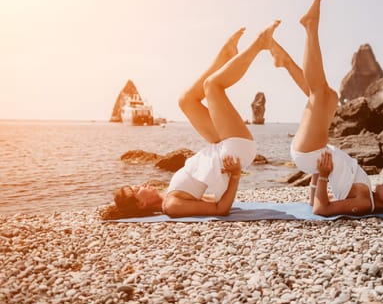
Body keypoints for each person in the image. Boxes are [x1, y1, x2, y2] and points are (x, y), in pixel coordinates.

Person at [100, 21, 281, 220]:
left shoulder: (170, 195)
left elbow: (211, 201)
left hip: (221, 148)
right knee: (212, 86)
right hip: (234, 151)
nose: (140, 185)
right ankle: (259, 44)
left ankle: (226, 56)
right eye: (136, 190)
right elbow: (221, 209)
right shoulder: (171, 206)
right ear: (141, 203)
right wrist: (235, 175)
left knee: (186, 100)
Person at [269, 0, 383, 216]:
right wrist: (317, 176)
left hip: (310, 152)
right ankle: (285, 61)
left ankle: (310, 27)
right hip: (315, 153)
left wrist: (323, 174)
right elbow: (312, 203)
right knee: (329, 96)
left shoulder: (365, 203)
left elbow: (320, 209)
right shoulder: (368, 196)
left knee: (319, 93)